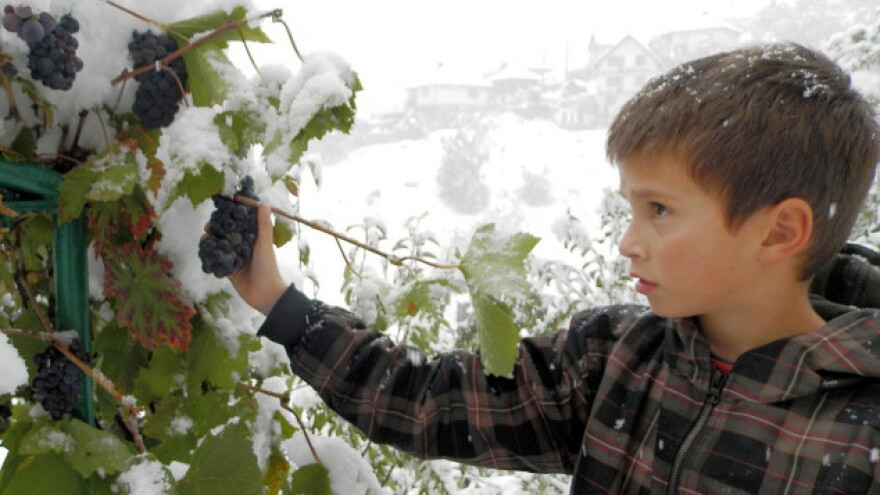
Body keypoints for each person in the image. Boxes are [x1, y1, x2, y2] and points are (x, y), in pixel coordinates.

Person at [227, 42, 880, 493]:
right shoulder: (616, 359)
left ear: (781, 231)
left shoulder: (863, 436)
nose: (629, 241)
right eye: (629, 208)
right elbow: (433, 401)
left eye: (659, 210)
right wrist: (278, 301)